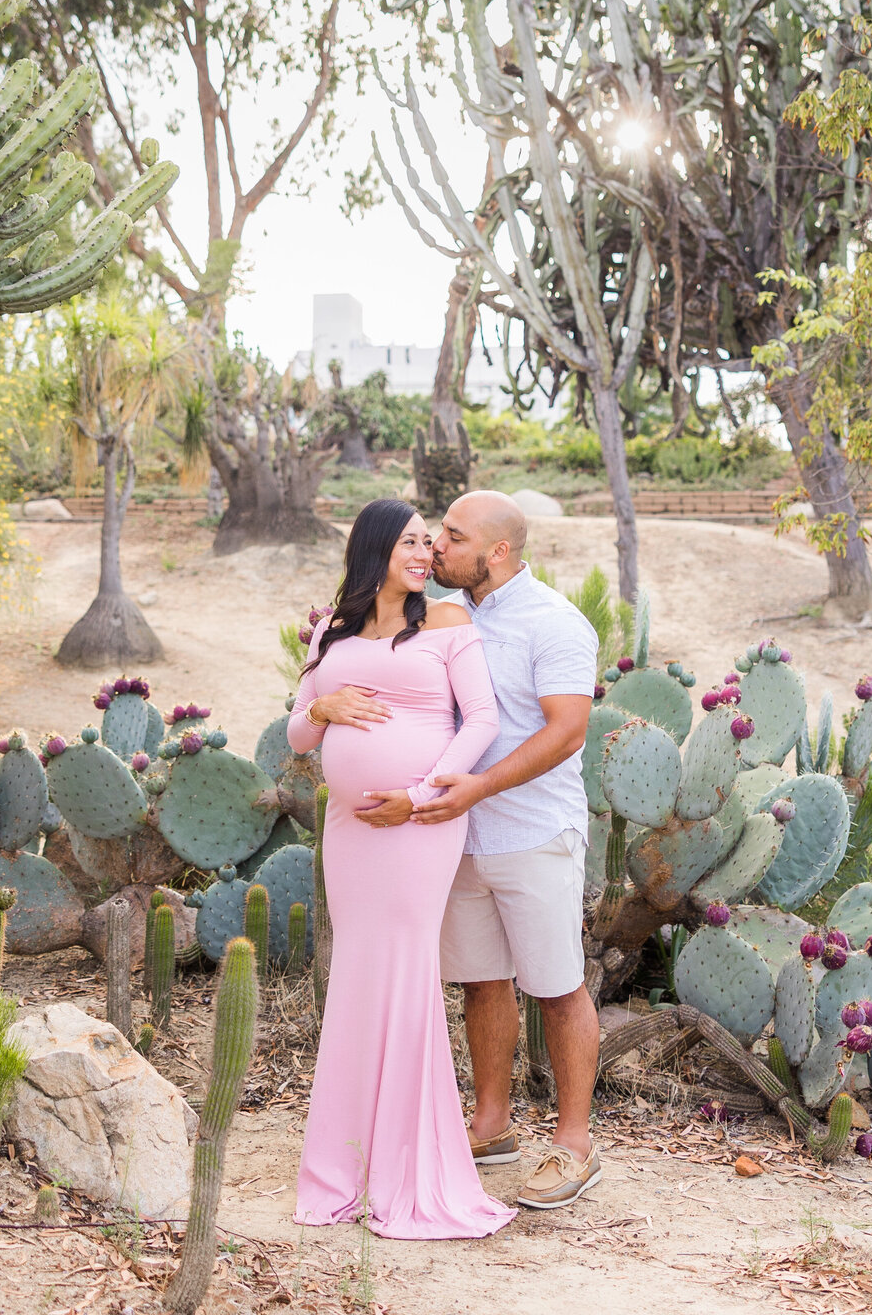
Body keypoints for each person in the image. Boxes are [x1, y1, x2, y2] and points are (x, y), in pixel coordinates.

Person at [314, 489, 602, 1212]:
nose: (435, 547)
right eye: (432, 535)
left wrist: (474, 787)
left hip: (532, 829)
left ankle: (574, 1145)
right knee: (480, 981)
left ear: (497, 552)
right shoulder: (439, 613)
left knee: (557, 986)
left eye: (452, 536)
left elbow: (567, 732)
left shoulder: (555, 623)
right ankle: (490, 1124)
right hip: (448, 835)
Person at [286, 497, 515, 1241]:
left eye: (430, 544)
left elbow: (481, 720)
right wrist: (327, 708)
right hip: (351, 829)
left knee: (408, 973)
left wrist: (420, 796)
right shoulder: (333, 628)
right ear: (376, 547)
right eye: (411, 542)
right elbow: (295, 733)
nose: (425, 554)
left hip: (421, 825)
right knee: (357, 973)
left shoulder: (448, 622)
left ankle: (407, 1167)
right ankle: (343, 1167)